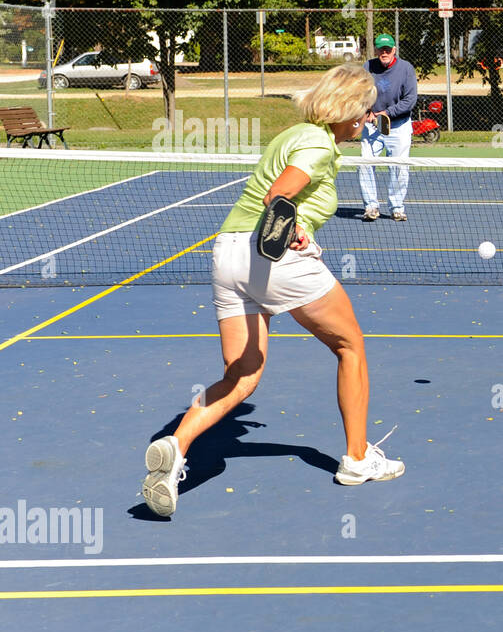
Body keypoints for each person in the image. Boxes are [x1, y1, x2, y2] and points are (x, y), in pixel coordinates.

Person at [141, 64, 404, 517]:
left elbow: (275, 194)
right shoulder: (319, 144)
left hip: (228, 252)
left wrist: (293, 220)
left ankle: (175, 447)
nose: (368, 117)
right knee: (351, 347)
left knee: (241, 376)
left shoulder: (295, 133)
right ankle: (358, 460)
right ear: (352, 112)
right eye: (365, 110)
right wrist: (295, 225)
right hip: (272, 256)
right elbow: (278, 196)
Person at [358, 33, 419, 221]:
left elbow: (410, 100)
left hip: (398, 125)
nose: (384, 53)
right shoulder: (367, 67)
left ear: (394, 50)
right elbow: (359, 92)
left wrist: (386, 114)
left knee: (399, 167)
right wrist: (366, 111)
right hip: (372, 125)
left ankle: (397, 207)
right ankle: (371, 207)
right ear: (376, 50)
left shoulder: (406, 69)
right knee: (365, 164)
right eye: (380, 49)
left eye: (387, 49)